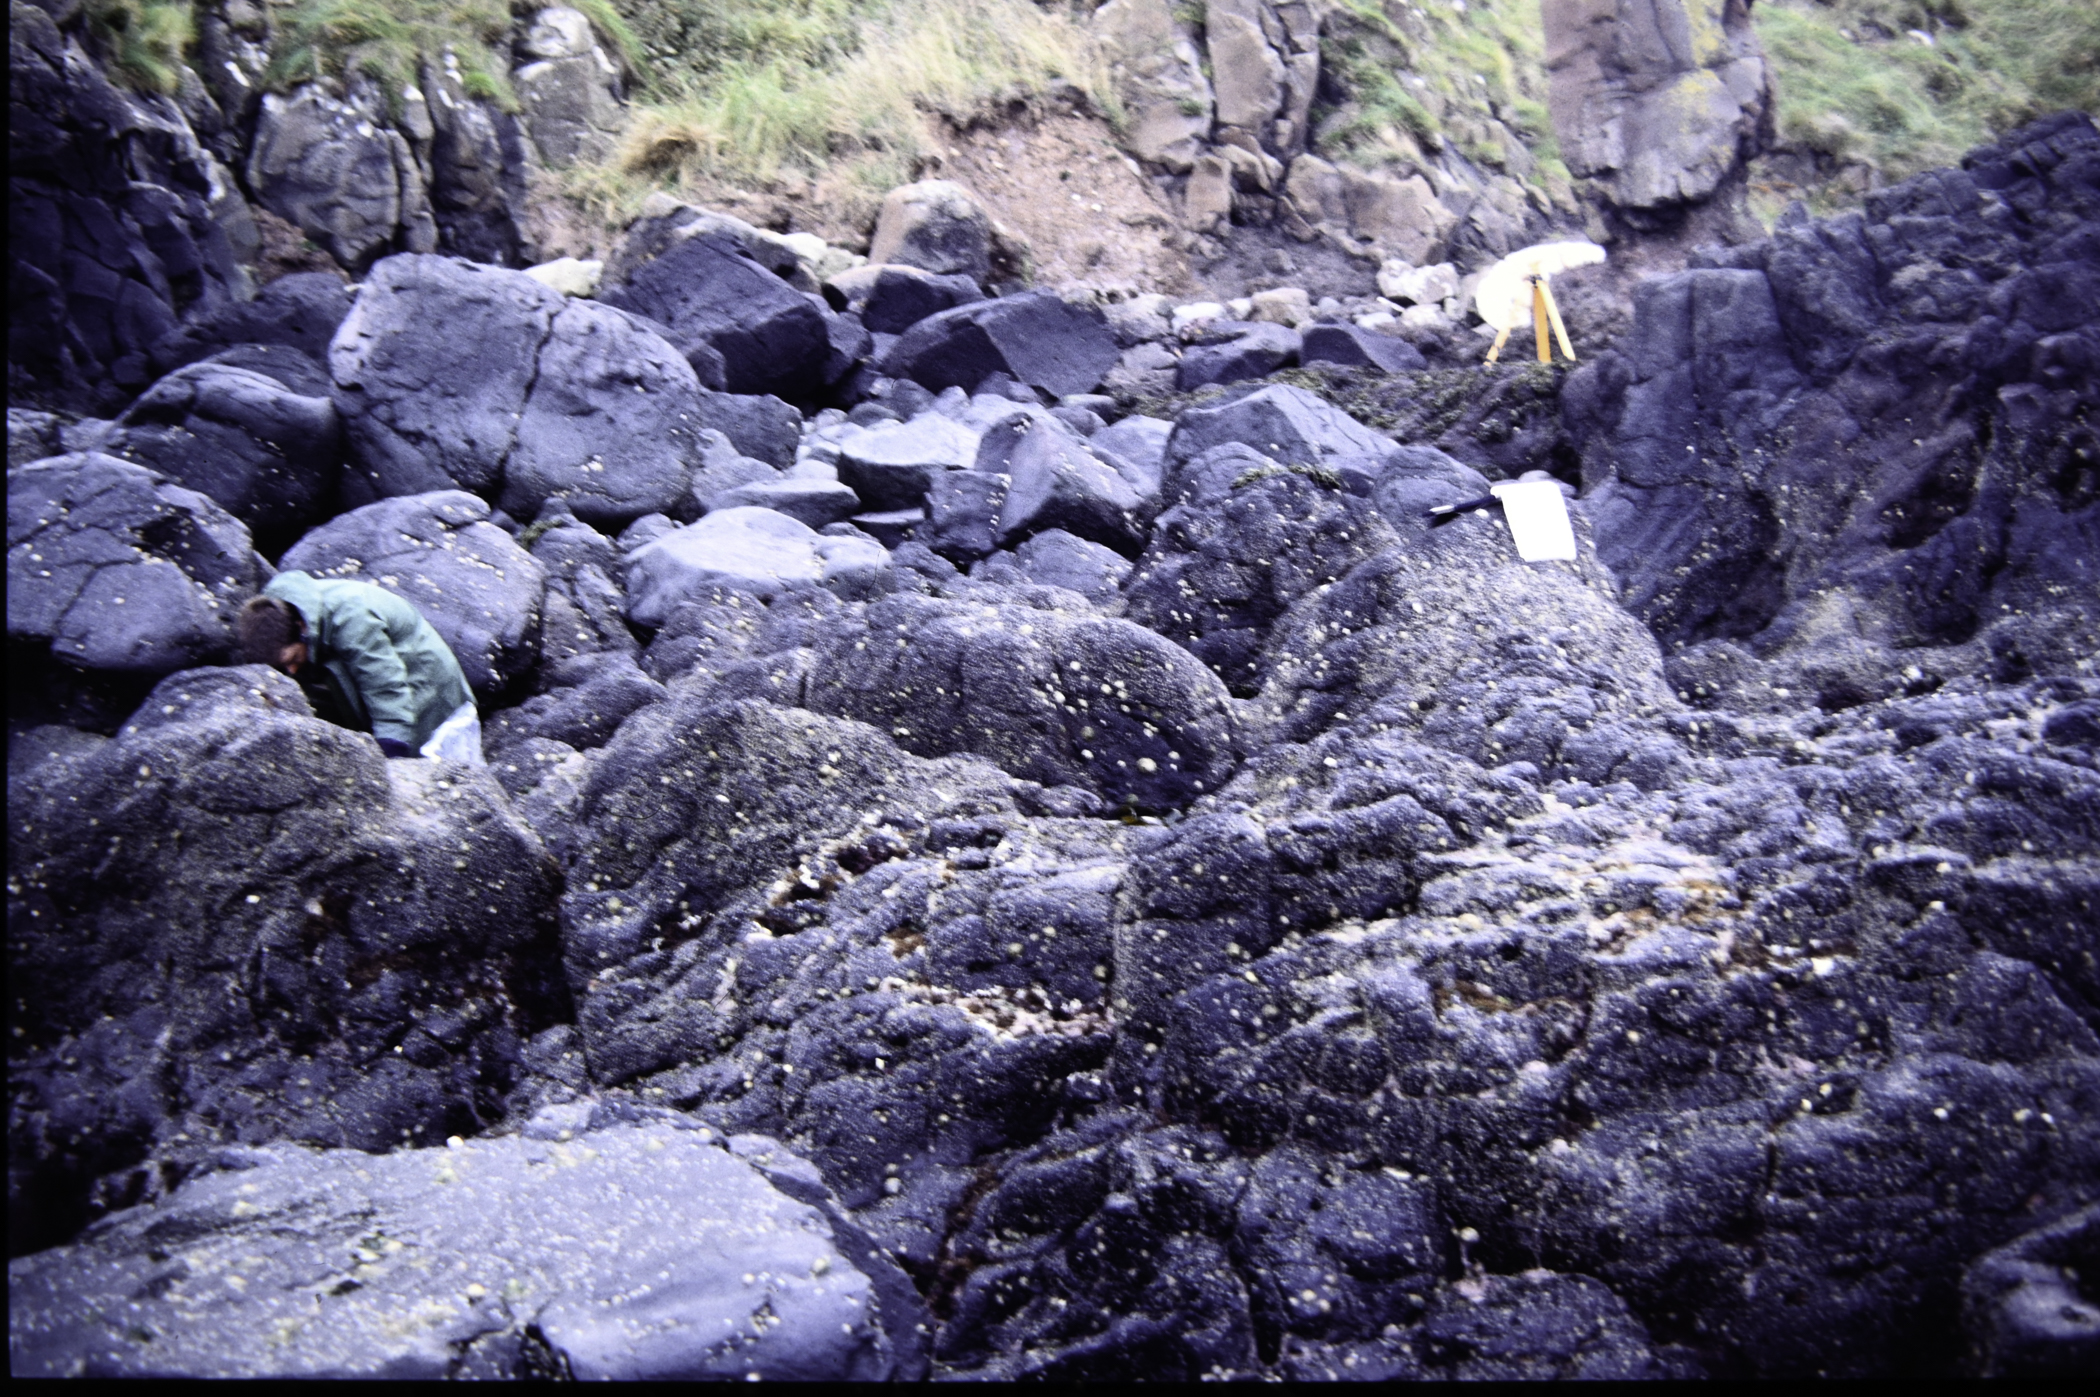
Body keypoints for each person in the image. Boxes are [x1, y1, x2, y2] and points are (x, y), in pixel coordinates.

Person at [236, 571, 483, 764]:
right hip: (378, 693)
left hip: (435, 702)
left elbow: (385, 686)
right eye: (282, 667)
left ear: (302, 628)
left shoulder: (353, 618)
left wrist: (391, 750)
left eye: (291, 659)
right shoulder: (279, 619)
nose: (291, 671)